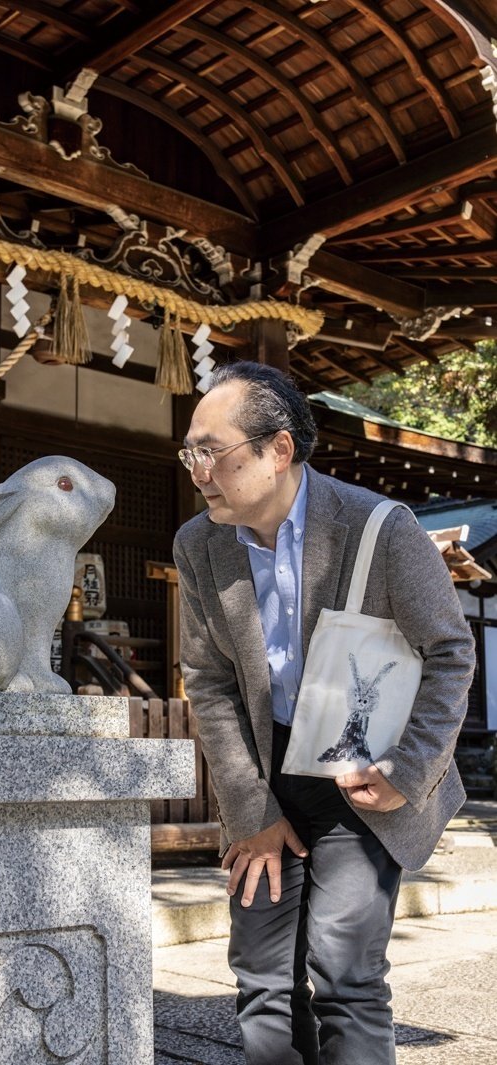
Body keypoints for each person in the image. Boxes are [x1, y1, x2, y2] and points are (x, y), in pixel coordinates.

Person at [172, 361, 475, 1065]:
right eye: (191, 451)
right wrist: (250, 809)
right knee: (261, 979)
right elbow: (209, 681)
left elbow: (451, 652)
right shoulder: (201, 543)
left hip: (364, 773)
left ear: (279, 450)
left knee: (344, 971)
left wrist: (409, 769)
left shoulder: (380, 526)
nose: (198, 469)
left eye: (212, 450)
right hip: (264, 771)